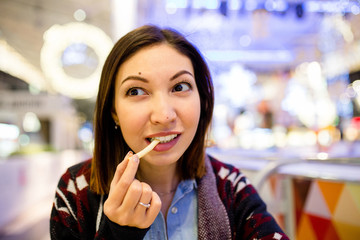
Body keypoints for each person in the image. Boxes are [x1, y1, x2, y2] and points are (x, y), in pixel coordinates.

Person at [50, 25, 289, 240]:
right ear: (113, 111)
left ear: (203, 101)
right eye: (135, 91)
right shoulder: (75, 190)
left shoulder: (230, 186)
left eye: (179, 87)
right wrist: (118, 233)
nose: (164, 116)